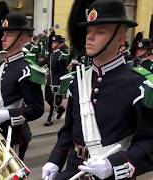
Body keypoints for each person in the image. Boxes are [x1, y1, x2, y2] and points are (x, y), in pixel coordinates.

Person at [42, 0, 153, 179]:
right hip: (73, 170)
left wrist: (114, 165)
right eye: (89, 31)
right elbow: (69, 129)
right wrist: (55, 159)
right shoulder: (79, 79)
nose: (90, 37)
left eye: (100, 31)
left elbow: (148, 143)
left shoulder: (139, 84)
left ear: (121, 38)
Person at [0, 12, 44, 161]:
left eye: (9, 34)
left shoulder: (26, 69)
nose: (3, 38)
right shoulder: (1, 65)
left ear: (22, 38)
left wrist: (6, 115)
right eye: (3, 33)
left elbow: (36, 108)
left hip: (14, 135)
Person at [42, 35, 69, 126]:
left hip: (57, 82)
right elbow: (42, 62)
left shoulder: (61, 56)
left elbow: (63, 71)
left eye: (55, 42)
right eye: (53, 42)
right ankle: (59, 109)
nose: (53, 44)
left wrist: (63, 84)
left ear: (59, 44)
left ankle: (50, 119)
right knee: (47, 98)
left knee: (53, 101)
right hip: (49, 81)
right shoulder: (50, 54)